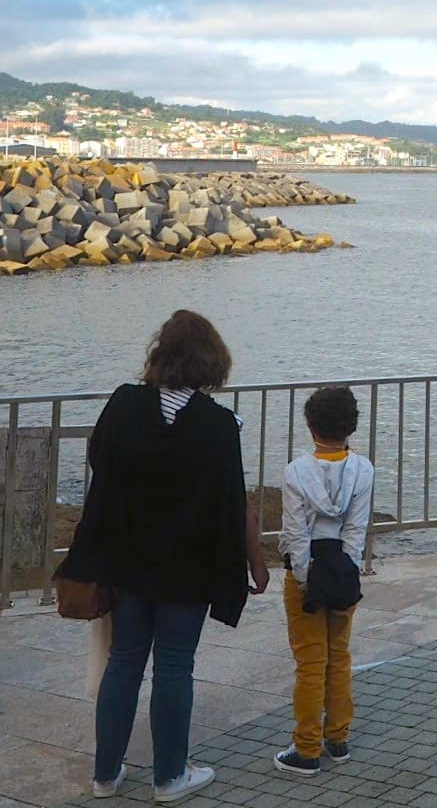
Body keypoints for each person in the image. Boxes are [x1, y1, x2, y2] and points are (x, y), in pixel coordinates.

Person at [57, 309, 269, 803]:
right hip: (188, 568)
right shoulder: (219, 426)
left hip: (128, 559)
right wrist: (255, 561)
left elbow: (99, 460)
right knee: (174, 665)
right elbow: (234, 499)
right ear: (212, 362)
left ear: (159, 354)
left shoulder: (124, 405)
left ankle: (106, 775)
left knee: (124, 661)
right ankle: (170, 776)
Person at [273, 386, 375, 777]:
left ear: (310, 425)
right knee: (340, 656)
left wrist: (303, 579)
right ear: (351, 426)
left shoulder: (296, 472)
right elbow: (356, 528)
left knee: (310, 661)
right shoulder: (362, 470)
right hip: (342, 570)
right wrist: (347, 574)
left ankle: (306, 747)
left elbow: (295, 534)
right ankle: (337, 736)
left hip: (308, 571)